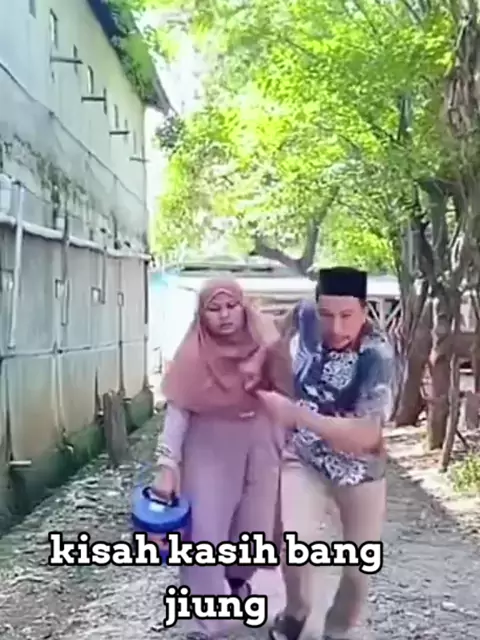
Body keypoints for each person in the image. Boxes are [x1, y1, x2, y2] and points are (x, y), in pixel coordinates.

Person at [260, 267, 396, 640]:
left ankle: (337, 629)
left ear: (364, 310)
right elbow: (272, 330)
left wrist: (298, 415)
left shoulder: (378, 355)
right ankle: (296, 612)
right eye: (327, 314)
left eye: (347, 316)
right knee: (294, 542)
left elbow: (367, 435)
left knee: (359, 566)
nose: (336, 327)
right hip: (303, 458)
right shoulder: (305, 314)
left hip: (361, 471)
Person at [152, 277, 292, 640]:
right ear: (202, 315)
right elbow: (178, 410)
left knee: (255, 528)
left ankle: (236, 582)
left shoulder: (265, 343)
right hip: (208, 447)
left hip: (262, 440)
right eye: (214, 309)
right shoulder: (193, 353)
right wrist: (167, 464)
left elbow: (291, 386)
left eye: (232, 306)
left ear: (244, 307)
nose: (225, 315)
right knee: (204, 532)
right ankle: (206, 622)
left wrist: (270, 345)